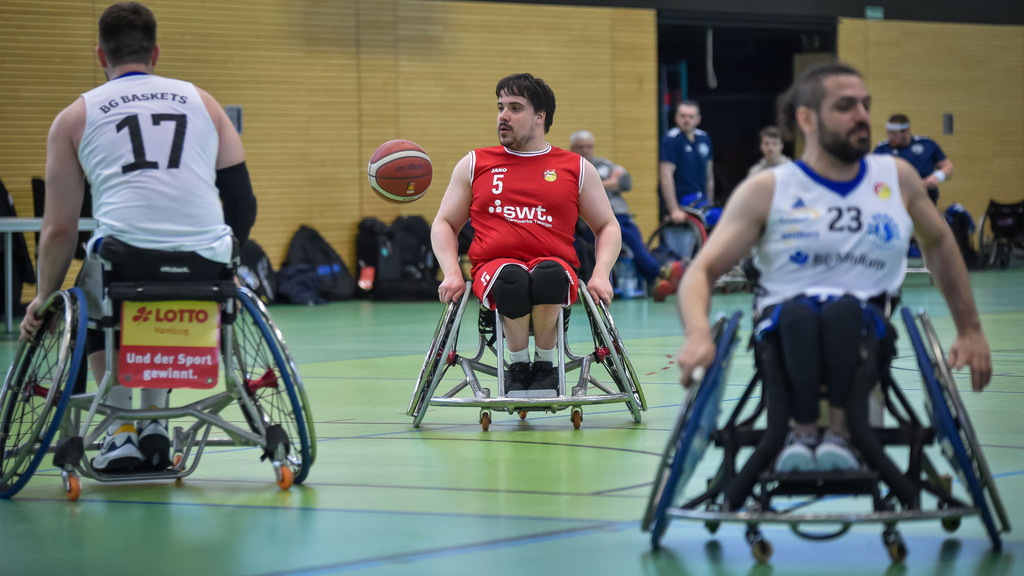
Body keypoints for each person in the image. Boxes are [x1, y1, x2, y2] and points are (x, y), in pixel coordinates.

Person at [674, 62, 990, 481]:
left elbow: (941, 244)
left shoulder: (897, 178)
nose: (862, 115)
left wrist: (969, 329)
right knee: (801, 315)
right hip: (784, 322)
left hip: (866, 321)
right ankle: (801, 436)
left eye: (865, 104)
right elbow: (701, 271)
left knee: (843, 312)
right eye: (845, 106)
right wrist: (698, 335)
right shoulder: (768, 189)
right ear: (806, 118)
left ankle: (842, 434)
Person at [20, 2, 257, 471]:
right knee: (165, 290)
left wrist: (45, 298)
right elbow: (243, 203)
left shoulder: (74, 117)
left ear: (100, 55)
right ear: (156, 52)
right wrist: (227, 262)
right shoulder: (204, 103)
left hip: (122, 262)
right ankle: (154, 423)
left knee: (90, 301)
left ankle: (121, 430)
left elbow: (61, 228)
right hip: (205, 259)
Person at [432, 74, 621, 395]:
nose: (503, 116)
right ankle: (517, 366)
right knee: (511, 276)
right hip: (495, 270)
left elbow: (607, 226)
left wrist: (601, 274)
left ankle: (546, 365)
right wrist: (451, 273)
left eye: (515, 108)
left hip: (553, 269)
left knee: (549, 273)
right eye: (500, 107)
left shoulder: (575, 167)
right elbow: (444, 224)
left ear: (540, 116)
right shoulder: (475, 163)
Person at [569, 130, 683, 302]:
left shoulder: (603, 164)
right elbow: (574, 190)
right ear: (573, 148)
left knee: (634, 240)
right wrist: (608, 183)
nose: (586, 150)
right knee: (623, 235)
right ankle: (659, 274)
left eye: (589, 146)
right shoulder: (571, 167)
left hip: (621, 215)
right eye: (581, 147)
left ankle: (658, 278)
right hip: (592, 222)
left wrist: (595, 185)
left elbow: (626, 182)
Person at [873, 113, 953, 204]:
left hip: (926, 200)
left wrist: (937, 177)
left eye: (894, 134)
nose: (890, 138)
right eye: (888, 133)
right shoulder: (882, 149)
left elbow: (948, 166)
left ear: (906, 131)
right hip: (895, 200)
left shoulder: (926, 144)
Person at [659, 100, 714, 224]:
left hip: (701, 200)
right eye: (682, 116)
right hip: (682, 202)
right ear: (676, 118)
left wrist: (709, 203)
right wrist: (673, 210)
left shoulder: (704, 138)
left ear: (698, 119)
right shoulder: (671, 140)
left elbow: (709, 176)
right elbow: (666, 176)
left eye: (691, 117)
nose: (686, 120)